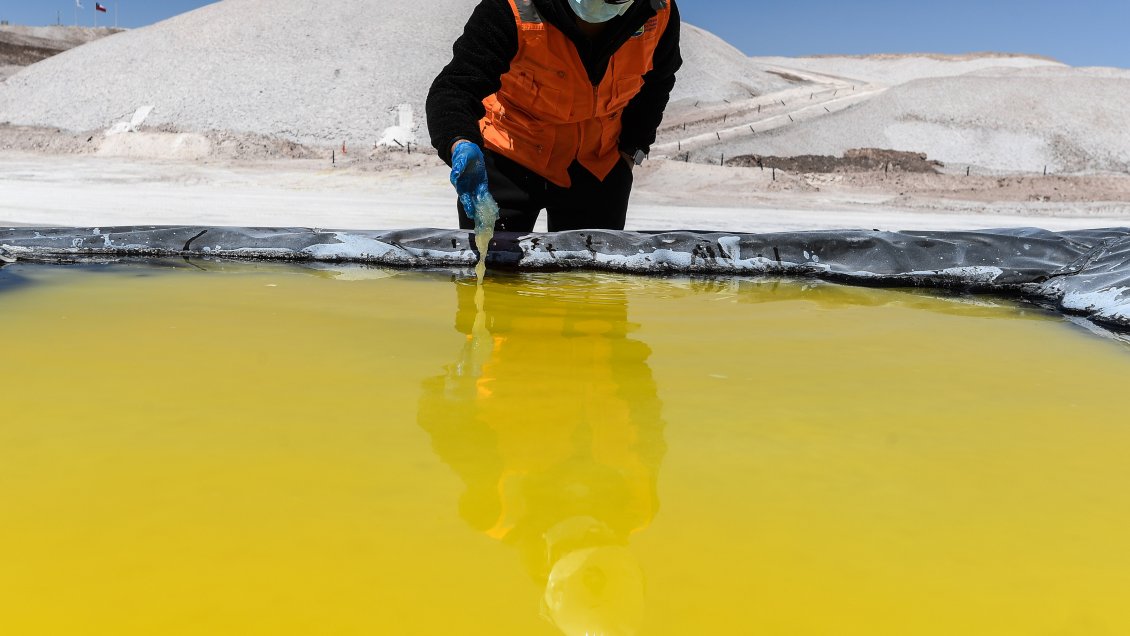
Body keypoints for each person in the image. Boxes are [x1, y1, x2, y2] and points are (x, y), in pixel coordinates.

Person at [427, 0, 682, 233]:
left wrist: (633, 147)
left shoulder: (658, 12)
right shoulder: (512, 7)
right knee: (491, 273)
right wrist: (460, 142)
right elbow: (456, 87)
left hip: (597, 163)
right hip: (511, 155)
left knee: (587, 277)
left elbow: (658, 81)